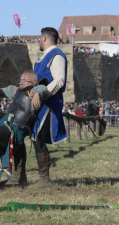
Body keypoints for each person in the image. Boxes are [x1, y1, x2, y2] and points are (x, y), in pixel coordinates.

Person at [31, 27, 67, 189]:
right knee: (36, 138)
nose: (38, 40)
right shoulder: (43, 58)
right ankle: (41, 177)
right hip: (40, 104)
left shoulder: (57, 56)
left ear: (44, 38)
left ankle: (44, 179)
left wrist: (42, 92)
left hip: (49, 104)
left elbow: (59, 81)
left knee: (39, 138)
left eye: (40, 38)